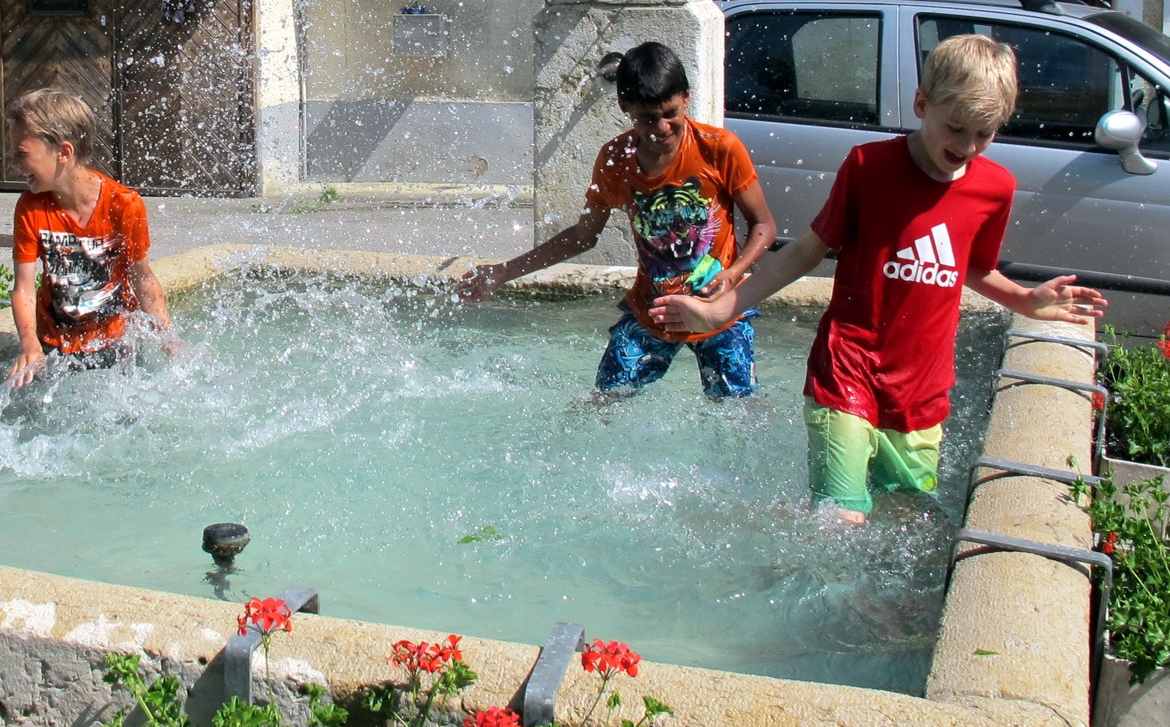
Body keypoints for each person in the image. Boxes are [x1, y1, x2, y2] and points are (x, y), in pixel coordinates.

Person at [668, 34, 1108, 522]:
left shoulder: (995, 188)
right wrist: (720, 308)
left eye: (984, 134)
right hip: (847, 369)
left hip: (921, 391)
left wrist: (1026, 301)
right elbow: (807, 251)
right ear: (921, 104)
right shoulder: (869, 167)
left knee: (903, 517)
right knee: (841, 517)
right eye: (956, 128)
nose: (967, 146)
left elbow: (974, 267)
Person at [458, 42, 778, 400]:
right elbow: (583, 236)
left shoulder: (719, 149)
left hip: (720, 313)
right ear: (625, 108)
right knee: (601, 406)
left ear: (686, 97)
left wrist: (732, 274)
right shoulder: (615, 160)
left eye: (670, 113)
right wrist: (503, 271)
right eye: (646, 118)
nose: (660, 128)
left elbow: (763, 226)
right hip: (651, 313)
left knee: (738, 412)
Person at [6, 87, 173, 388]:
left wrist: (169, 341)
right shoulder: (30, 208)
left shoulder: (123, 205)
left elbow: (143, 279)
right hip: (53, 344)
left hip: (116, 343)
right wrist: (29, 344)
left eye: (22, 153)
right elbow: (24, 289)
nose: (12, 161)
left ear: (64, 152)